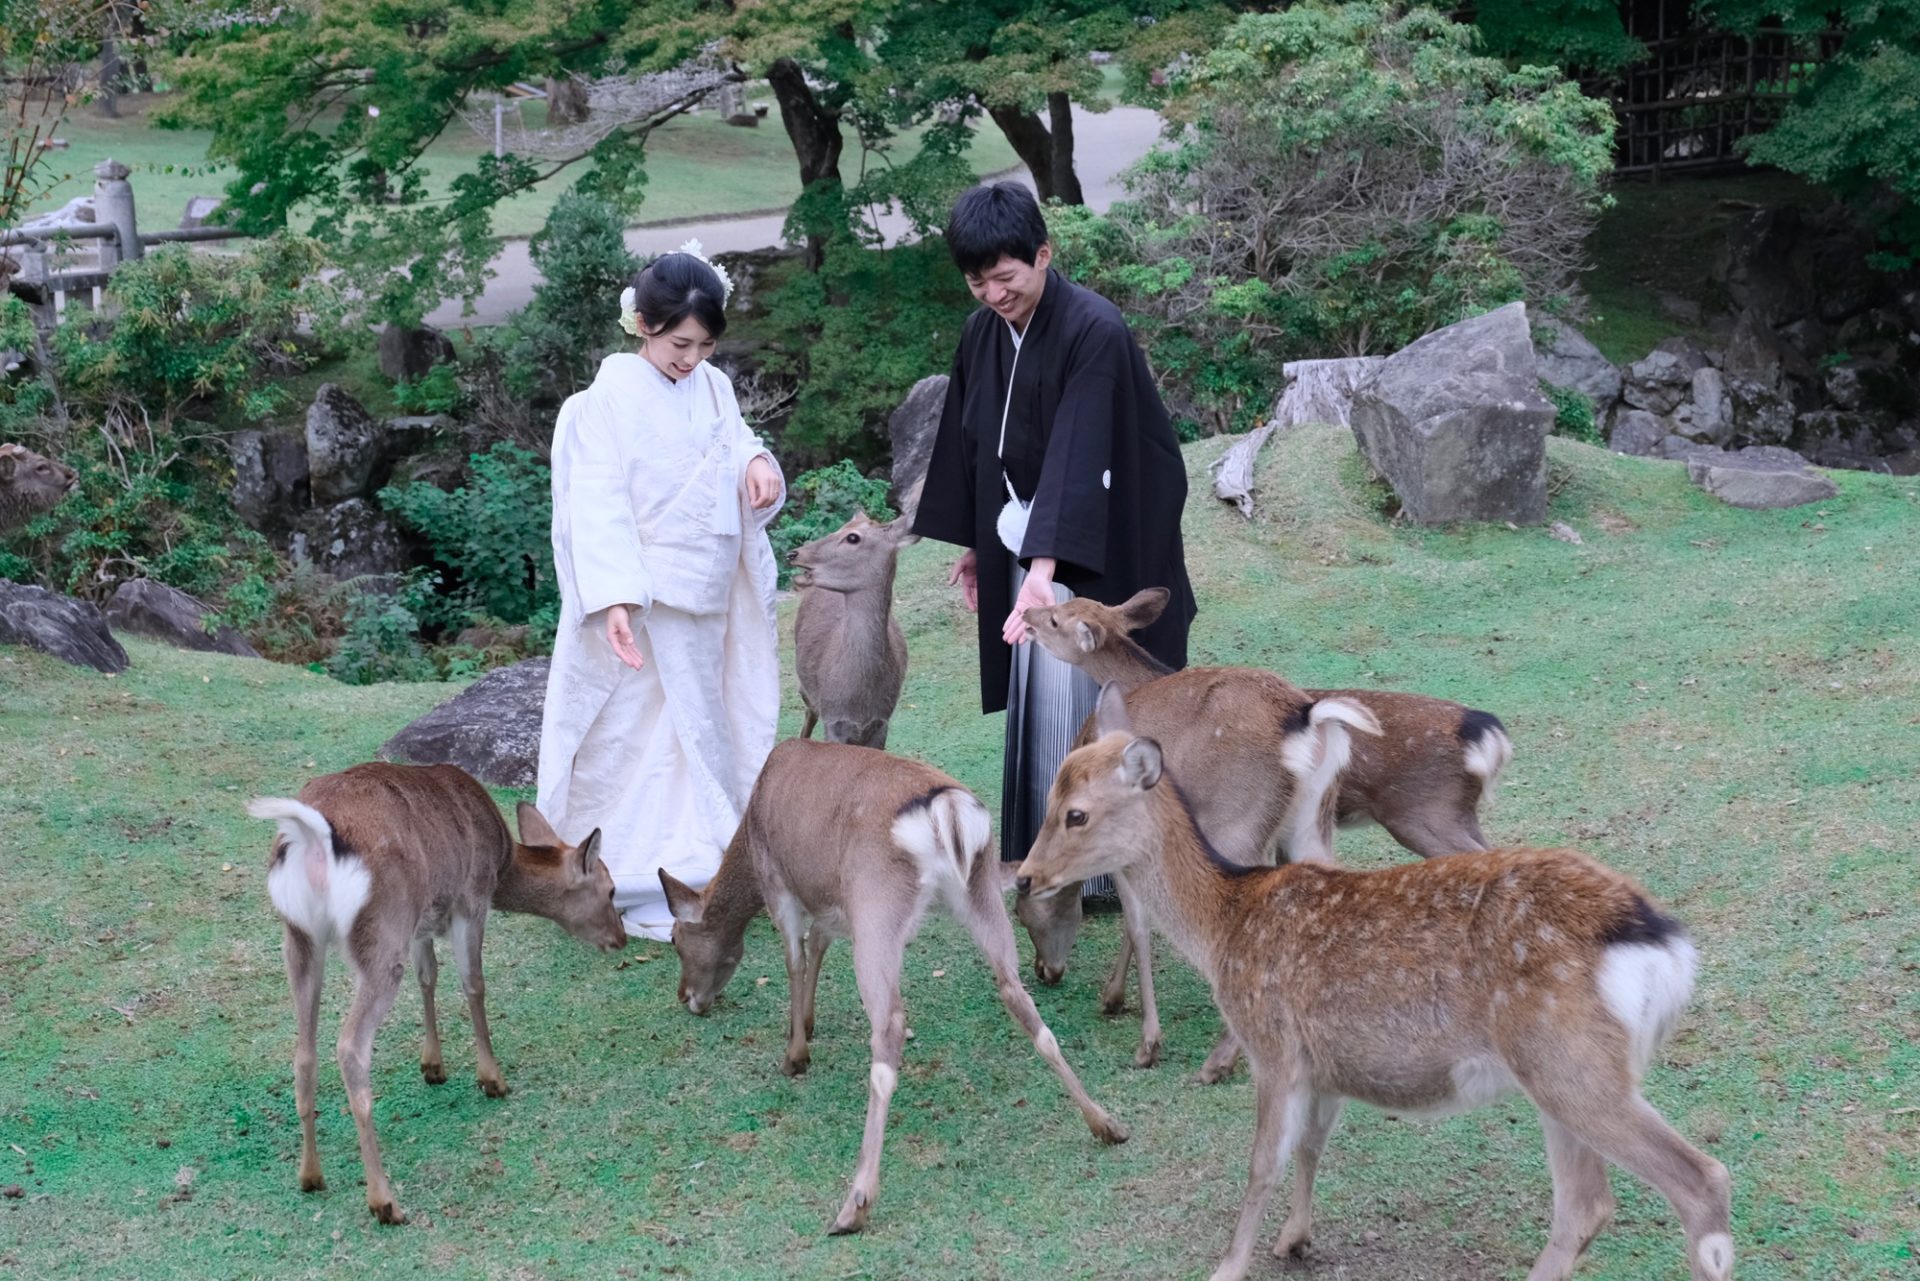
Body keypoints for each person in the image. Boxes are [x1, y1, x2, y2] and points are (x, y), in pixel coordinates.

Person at [912, 183, 1196, 882]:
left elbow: (1079, 451)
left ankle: (1118, 859)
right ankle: (1054, 859)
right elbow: (972, 442)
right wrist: (982, 547)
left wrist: (1045, 566)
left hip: (1108, 532)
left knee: (1107, 692)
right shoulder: (982, 333)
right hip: (1028, 534)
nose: (993, 294)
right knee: (1043, 695)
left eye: (1006, 277)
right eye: (978, 281)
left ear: (1044, 254)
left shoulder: (1092, 327)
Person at [537, 242, 785, 940]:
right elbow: (598, 501)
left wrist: (758, 464)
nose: (692, 358)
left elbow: (731, 442)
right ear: (643, 324)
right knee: (627, 735)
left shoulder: (714, 387)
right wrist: (613, 596)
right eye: (680, 342)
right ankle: (623, 872)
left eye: (705, 345)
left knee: (702, 731)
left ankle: (711, 864)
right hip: (644, 600)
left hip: (702, 597)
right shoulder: (602, 403)